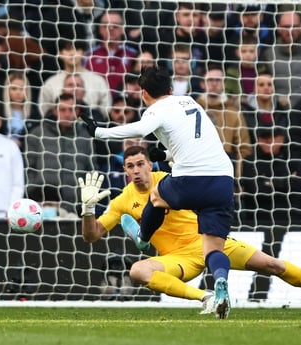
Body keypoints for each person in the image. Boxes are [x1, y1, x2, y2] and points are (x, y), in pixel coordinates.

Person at [79, 146, 301, 315]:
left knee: (272, 264)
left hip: (209, 241)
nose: (136, 170)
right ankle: (206, 298)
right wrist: (88, 210)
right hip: (178, 258)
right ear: (125, 171)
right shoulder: (122, 200)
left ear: (150, 164)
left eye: (140, 164)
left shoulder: (171, 181)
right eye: (130, 166)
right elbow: (92, 236)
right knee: (138, 270)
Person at [79, 65, 235, 319]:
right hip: (223, 180)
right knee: (214, 248)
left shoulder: (156, 109)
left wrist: (100, 132)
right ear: (171, 89)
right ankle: (220, 281)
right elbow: (200, 141)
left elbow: (140, 129)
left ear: (143, 93)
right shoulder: (190, 102)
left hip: (192, 179)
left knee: (156, 195)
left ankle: (143, 235)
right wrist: (165, 154)